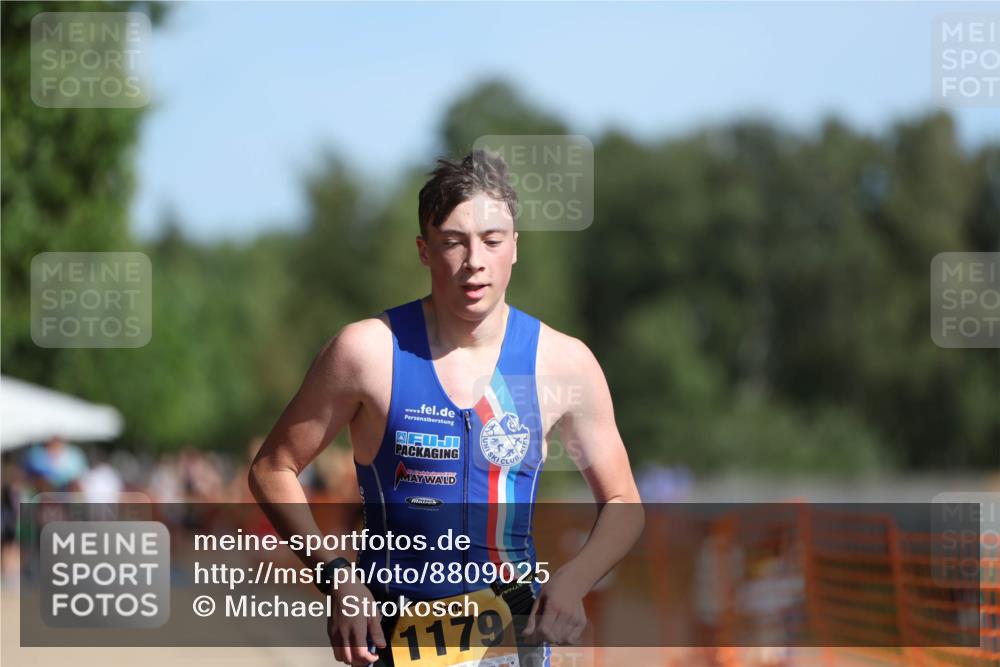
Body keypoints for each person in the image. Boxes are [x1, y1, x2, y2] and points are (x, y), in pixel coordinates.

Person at [249, 150, 644, 666]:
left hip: (512, 644)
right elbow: (272, 468)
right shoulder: (366, 352)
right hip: (393, 644)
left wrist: (575, 578)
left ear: (515, 246)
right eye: (453, 242)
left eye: (492, 240)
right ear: (424, 250)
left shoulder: (564, 363)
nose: (474, 260)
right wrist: (336, 576)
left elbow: (623, 501)